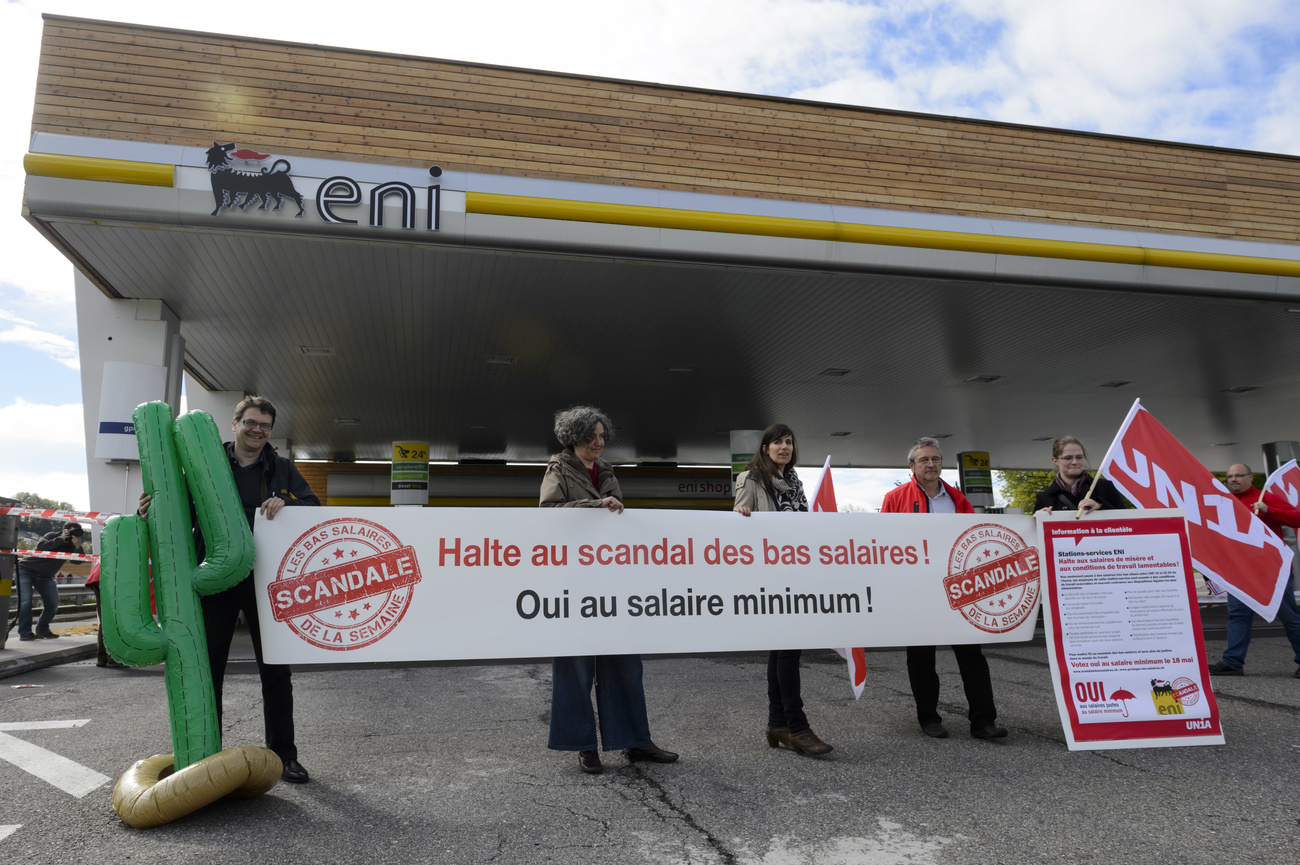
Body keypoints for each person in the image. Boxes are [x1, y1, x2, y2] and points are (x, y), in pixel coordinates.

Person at [139, 395, 319, 782]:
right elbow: (175, 509)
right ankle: (207, 755)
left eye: (265, 426)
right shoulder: (204, 462)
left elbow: (314, 505)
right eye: (251, 423)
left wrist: (287, 504)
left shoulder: (282, 468)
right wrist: (150, 507)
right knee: (209, 671)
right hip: (213, 577)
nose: (258, 430)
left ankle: (284, 755)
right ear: (234, 423)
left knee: (276, 672)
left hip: (268, 579)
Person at [540, 405, 678, 774]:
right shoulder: (558, 470)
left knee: (625, 663)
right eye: (593, 436)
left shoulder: (607, 470)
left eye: (603, 436)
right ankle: (582, 745)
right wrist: (596, 504)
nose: (599, 442)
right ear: (575, 437)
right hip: (573, 585)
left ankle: (634, 740)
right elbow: (550, 513)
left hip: (612, 583)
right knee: (576, 668)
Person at [881, 437, 1008, 741]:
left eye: (935, 459)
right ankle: (928, 718)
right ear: (911, 466)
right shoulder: (895, 498)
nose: (931, 464)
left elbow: (974, 540)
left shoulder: (957, 499)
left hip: (958, 590)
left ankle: (984, 721)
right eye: (924, 459)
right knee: (922, 658)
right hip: (917, 592)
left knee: (972, 656)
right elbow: (883, 543)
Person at [733, 423, 833, 756]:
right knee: (789, 648)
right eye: (777, 442)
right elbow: (737, 521)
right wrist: (741, 514)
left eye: (789, 442)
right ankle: (797, 727)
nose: (784, 447)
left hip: (796, 571)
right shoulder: (752, 479)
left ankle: (778, 723)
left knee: (782, 648)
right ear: (765, 448)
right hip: (770, 574)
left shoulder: (795, 483)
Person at [1209, 464, 1300, 678]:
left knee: (1288, 615)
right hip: (1240, 570)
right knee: (1238, 615)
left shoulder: (1266, 497)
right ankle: (1232, 663)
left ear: (1250, 477)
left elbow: (1297, 518)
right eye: (1230, 476)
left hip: (1272, 569)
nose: (1233, 479)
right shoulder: (1224, 501)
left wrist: (1270, 511)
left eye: (1239, 475)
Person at [17, 520, 84, 641]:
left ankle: (42, 630)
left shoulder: (73, 545)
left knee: (53, 603)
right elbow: (40, 548)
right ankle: (25, 632)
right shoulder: (52, 535)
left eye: (76, 533)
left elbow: (77, 561)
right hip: (26, 570)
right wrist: (60, 539)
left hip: (46, 576)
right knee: (26, 601)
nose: (73, 535)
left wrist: (78, 546)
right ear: (64, 530)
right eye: (71, 531)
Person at [1033, 436, 1126, 514]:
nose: (1075, 462)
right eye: (1068, 458)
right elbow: (1035, 533)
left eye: (1079, 457)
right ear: (1055, 460)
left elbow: (1127, 522)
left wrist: (1101, 506)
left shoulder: (1105, 487)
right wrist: (1038, 519)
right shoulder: (1044, 498)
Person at [85, 561, 124, 668]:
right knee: (114, 618)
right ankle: (113, 657)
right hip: (111, 576)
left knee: (105, 619)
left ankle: (102, 657)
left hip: (98, 575)